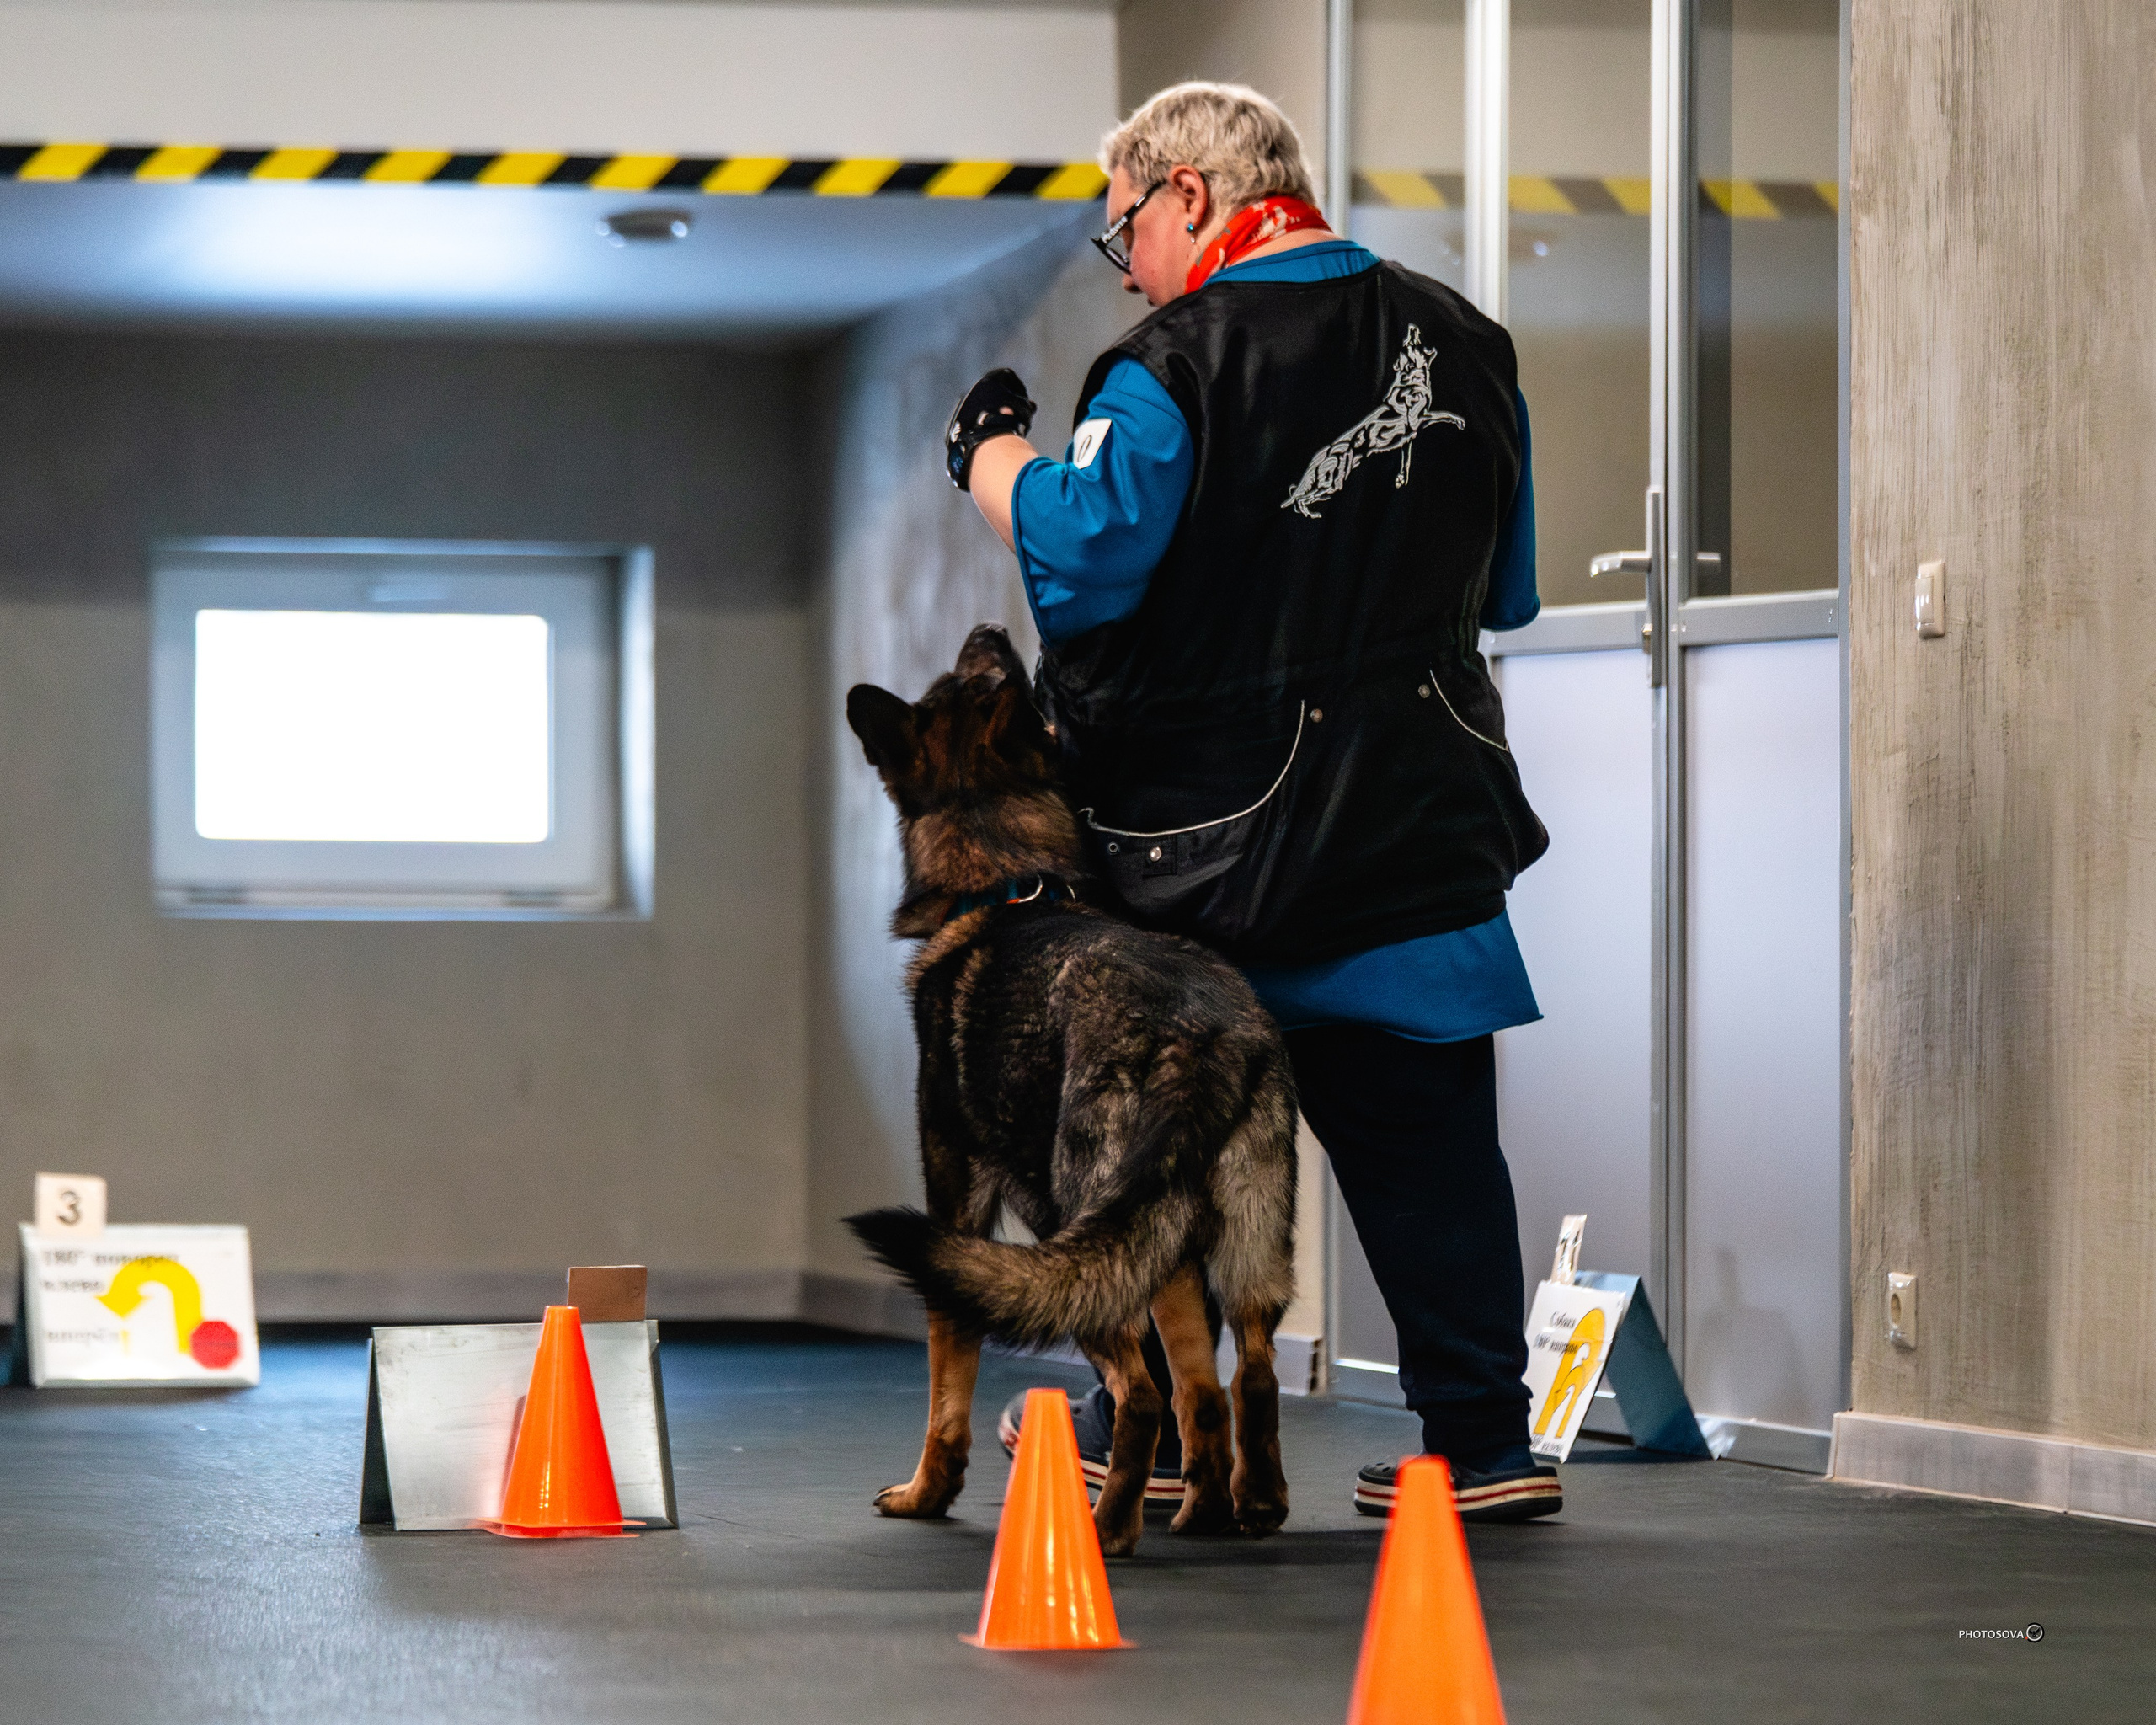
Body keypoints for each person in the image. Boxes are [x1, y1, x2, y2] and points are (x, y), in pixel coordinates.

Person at [951, 82, 1558, 1523]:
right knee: (1430, 1154)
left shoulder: (1175, 364)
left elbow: (1089, 553)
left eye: (1127, 235)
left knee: (1155, 1151)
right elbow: (1510, 593)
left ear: (1191, 195)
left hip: (1202, 859)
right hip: (1418, 830)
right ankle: (1485, 1450)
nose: (1131, 273)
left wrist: (992, 460)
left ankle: (1151, 1434)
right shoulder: (1469, 345)